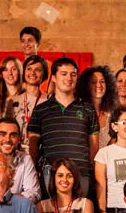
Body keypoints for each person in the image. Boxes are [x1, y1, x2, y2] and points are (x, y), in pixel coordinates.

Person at [28, 58, 98, 199]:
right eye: (64, 74)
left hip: (81, 174)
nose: (69, 78)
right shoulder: (41, 110)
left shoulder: (88, 109)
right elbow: (33, 145)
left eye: (73, 74)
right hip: (51, 175)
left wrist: (89, 170)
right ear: (53, 77)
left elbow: (94, 144)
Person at [10, 55, 49, 154]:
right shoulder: (12, 101)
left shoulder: (50, 101)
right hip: (17, 153)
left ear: (44, 74)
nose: (32, 73)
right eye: (29, 69)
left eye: (38, 70)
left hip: (42, 154)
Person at [76, 66, 117, 149]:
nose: (99, 85)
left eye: (102, 81)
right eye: (93, 82)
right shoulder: (79, 112)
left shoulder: (112, 115)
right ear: (86, 86)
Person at [0, 57, 24, 122]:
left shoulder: (27, 96)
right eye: (6, 70)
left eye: (14, 69)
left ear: (19, 72)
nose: (10, 73)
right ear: (2, 74)